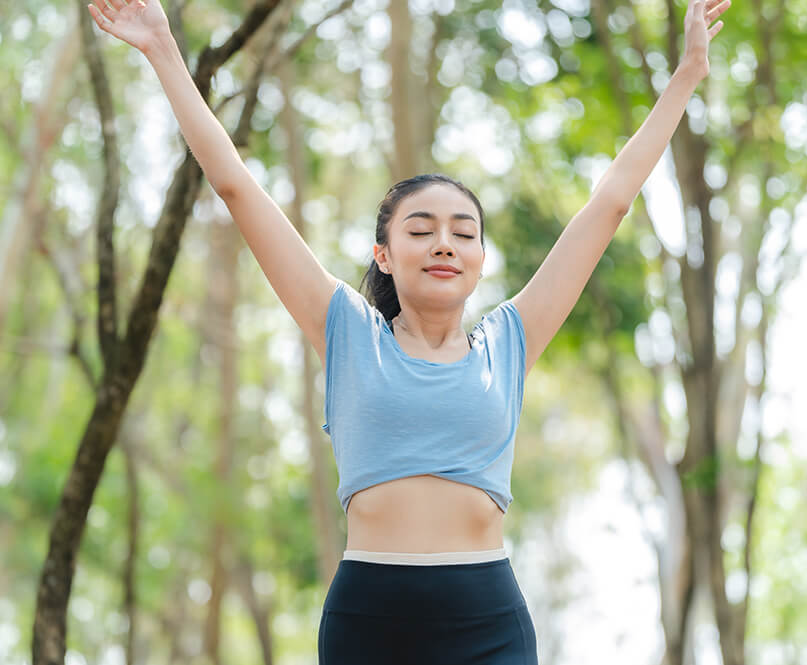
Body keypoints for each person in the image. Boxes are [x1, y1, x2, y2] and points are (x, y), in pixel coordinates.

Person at [88, 0, 729, 662]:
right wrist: (164, 48)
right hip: (371, 616)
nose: (444, 243)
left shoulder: (510, 341)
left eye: (464, 233)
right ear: (384, 255)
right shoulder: (345, 330)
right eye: (420, 230)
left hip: (489, 618)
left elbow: (611, 201)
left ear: (481, 260)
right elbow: (235, 186)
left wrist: (684, 76)